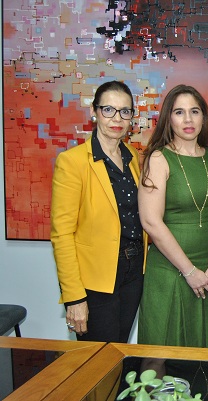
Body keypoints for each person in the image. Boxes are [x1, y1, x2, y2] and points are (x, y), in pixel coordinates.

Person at [137, 85, 208, 374]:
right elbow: (151, 222)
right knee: (157, 356)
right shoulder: (157, 158)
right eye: (179, 112)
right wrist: (189, 271)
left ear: (204, 118)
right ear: (169, 119)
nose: (188, 119)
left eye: (195, 111)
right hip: (171, 273)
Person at [51, 80, 146, 342]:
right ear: (94, 112)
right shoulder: (71, 162)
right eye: (108, 110)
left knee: (120, 351)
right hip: (96, 278)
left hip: (134, 270)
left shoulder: (131, 156)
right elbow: (62, 235)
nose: (117, 118)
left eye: (125, 111)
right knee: (96, 359)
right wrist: (74, 298)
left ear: (131, 117)